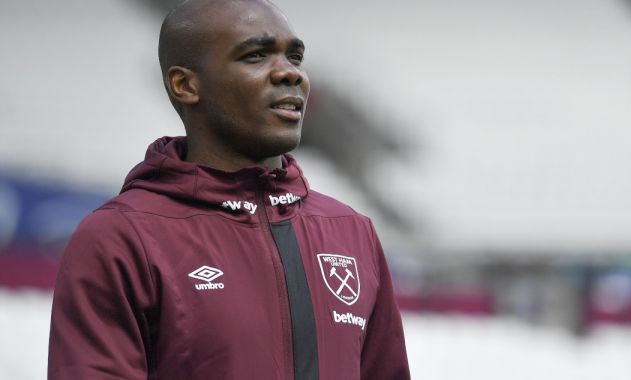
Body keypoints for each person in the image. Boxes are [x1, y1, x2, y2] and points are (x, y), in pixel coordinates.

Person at [47, 0, 410, 379]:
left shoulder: (352, 232)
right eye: (256, 55)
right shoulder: (120, 239)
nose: (290, 74)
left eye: (295, 58)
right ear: (185, 84)